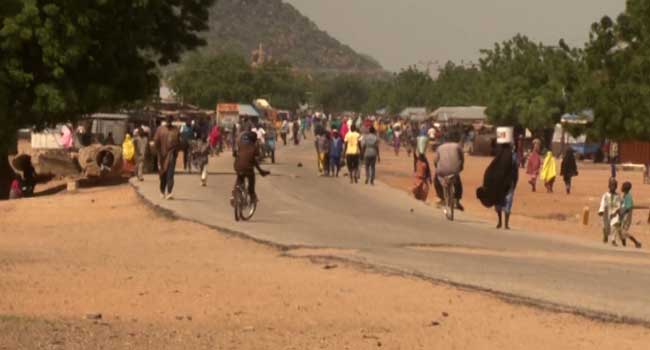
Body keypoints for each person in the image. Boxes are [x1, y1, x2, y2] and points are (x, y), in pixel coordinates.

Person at [477, 143, 518, 229]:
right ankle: (506, 224)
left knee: (498, 200)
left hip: (498, 183)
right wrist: (514, 181)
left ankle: (499, 222)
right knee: (508, 201)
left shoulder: (498, 156)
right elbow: (515, 169)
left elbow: (490, 170)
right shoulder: (512, 155)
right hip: (509, 182)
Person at [233, 125, 270, 203]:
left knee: (239, 177)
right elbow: (256, 158)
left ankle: (235, 192)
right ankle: (252, 195)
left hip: (237, 166)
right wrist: (261, 171)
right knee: (251, 179)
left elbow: (234, 153)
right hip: (248, 168)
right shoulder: (254, 146)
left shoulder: (240, 144)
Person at [434, 133, 465, 211]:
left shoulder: (439, 147)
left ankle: (441, 198)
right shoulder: (458, 146)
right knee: (457, 181)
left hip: (442, 170)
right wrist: (461, 167)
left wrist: (436, 167)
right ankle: (457, 201)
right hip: (454, 170)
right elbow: (462, 158)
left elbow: (435, 160)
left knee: (436, 180)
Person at [154, 116, 180, 200]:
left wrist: (175, 152)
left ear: (172, 121)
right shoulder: (160, 130)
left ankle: (169, 192)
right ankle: (162, 191)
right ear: (165, 121)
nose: (169, 121)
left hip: (171, 155)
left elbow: (178, 143)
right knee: (163, 174)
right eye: (168, 120)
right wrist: (158, 154)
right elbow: (156, 142)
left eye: (170, 120)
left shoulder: (175, 130)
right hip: (161, 156)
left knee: (170, 174)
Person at [599, 178, 622, 246]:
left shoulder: (618, 196)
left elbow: (619, 205)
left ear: (616, 187)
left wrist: (616, 212)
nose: (613, 187)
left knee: (615, 225)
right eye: (611, 185)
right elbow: (602, 203)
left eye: (614, 186)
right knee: (605, 227)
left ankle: (613, 240)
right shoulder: (605, 195)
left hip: (614, 213)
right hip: (606, 212)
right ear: (609, 186)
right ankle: (605, 235)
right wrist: (601, 210)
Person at [619, 181, 643, 248]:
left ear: (626, 188)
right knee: (621, 232)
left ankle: (636, 242)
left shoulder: (628, 196)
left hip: (627, 218)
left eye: (623, 186)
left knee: (624, 232)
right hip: (623, 217)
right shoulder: (624, 195)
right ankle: (624, 245)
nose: (621, 187)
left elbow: (628, 208)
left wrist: (621, 212)